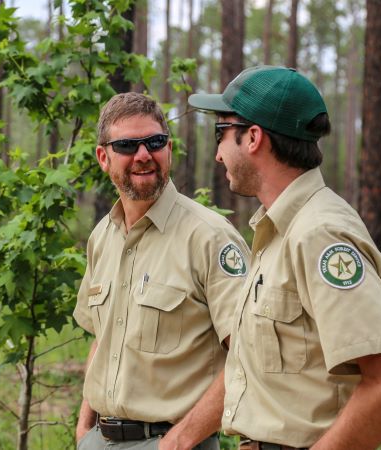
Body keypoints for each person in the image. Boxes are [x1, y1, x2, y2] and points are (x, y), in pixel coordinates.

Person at [189, 65, 381, 450]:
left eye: (221, 133)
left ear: (252, 138)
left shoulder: (318, 233)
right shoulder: (278, 231)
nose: (217, 155)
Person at [73, 92, 250, 450]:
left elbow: (250, 356)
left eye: (154, 142)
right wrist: (84, 426)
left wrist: (180, 441)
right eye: (127, 145)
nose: (143, 155)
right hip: (98, 440)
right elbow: (105, 334)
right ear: (103, 158)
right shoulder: (102, 237)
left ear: (169, 149)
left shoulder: (209, 238)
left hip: (173, 442)